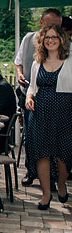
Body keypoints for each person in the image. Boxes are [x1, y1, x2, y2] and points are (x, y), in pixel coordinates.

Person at [25, 25, 72, 209]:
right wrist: (29, 96)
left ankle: (61, 183)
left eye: (54, 37)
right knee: (41, 153)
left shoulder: (70, 60)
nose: (50, 40)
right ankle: (46, 194)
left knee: (65, 155)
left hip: (65, 112)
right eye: (46, 38)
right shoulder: (38, 62)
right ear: (42, 42)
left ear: (61, 39)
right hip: (40, 110)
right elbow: (31, 87)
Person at [15, 8, 63, 187]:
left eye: (57, 26)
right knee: (31, 135)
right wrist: (19, 74)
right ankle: (31, 171)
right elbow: (18, 62)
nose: (54, 30)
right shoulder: (28, 39)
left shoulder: (64, 43)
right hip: (30, 94)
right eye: (51, 25)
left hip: (56, 97)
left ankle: (54, 176)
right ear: (42, 23)